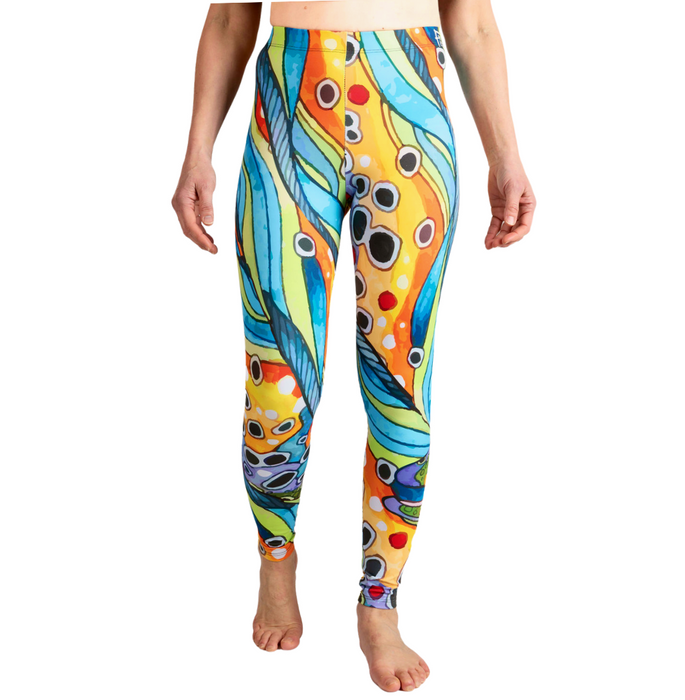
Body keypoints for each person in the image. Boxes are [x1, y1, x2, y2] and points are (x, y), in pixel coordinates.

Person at [172, 0, 536, 691]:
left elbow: (473, 23)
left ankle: (380, 602)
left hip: (409, 115)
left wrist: (507, 156)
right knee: (277, 377)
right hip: (289, 108)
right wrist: (197, 149)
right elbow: (228, 18)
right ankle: (276, 556)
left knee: (400, 383)